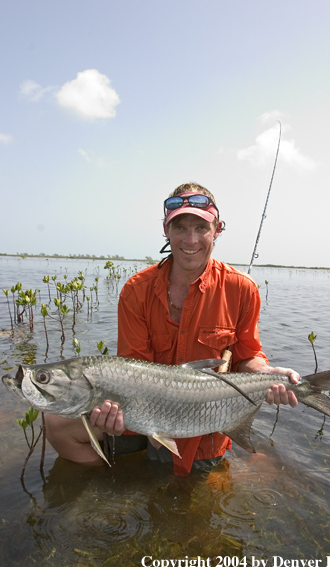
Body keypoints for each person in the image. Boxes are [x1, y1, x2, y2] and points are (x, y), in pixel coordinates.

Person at [46, 182, 299, 475]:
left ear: (217, 230)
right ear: (167, 231)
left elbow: (247, 357)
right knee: (57, 422)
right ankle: (111, 484)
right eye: (180, 228)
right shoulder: (135, 291)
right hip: (139, 415)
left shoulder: (242, 289)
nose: (190, 240)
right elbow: (133, 369)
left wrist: (268, 376)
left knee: (193, 499)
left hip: (204, 420)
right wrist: (113, 412)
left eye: (201, 228)